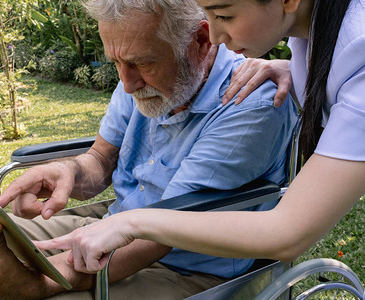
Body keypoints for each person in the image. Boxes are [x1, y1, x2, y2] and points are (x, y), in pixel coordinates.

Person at [0, 0, 298, 299]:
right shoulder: (134, 73)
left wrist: (45, 284)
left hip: (189, 268)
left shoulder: (251, 104)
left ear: (200, 40)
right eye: (117, 61)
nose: (127, 84)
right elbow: (100, 159)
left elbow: (162, 235)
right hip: (111, 226)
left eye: (141, 62)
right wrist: (68, 171)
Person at [31, 0, 365, 277]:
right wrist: (293, 68)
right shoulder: (308, 37)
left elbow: (288, 233)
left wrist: (134, 222)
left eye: (223, 15)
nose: (214, 37)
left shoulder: (357, 52)